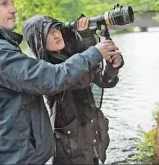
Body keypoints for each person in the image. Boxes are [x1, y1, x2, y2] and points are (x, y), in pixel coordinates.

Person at [0, 0, 121, 164]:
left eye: (12, 3)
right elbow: (52, 78)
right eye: (3, 4)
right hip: (13, 158)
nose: (13, 9)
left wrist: (111, 65)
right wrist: (93, 51)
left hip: (22, 156)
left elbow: (100, 80)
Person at [22, 14, 124, 164]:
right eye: (49, 32)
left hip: (93, 141)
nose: (57, 34)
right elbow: (78, 79)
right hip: (70, 152)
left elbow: (103, 82)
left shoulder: (75, 58)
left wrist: (112, 67)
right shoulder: (45, 71)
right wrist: (90, 44)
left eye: (57, 29)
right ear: (39, 41)